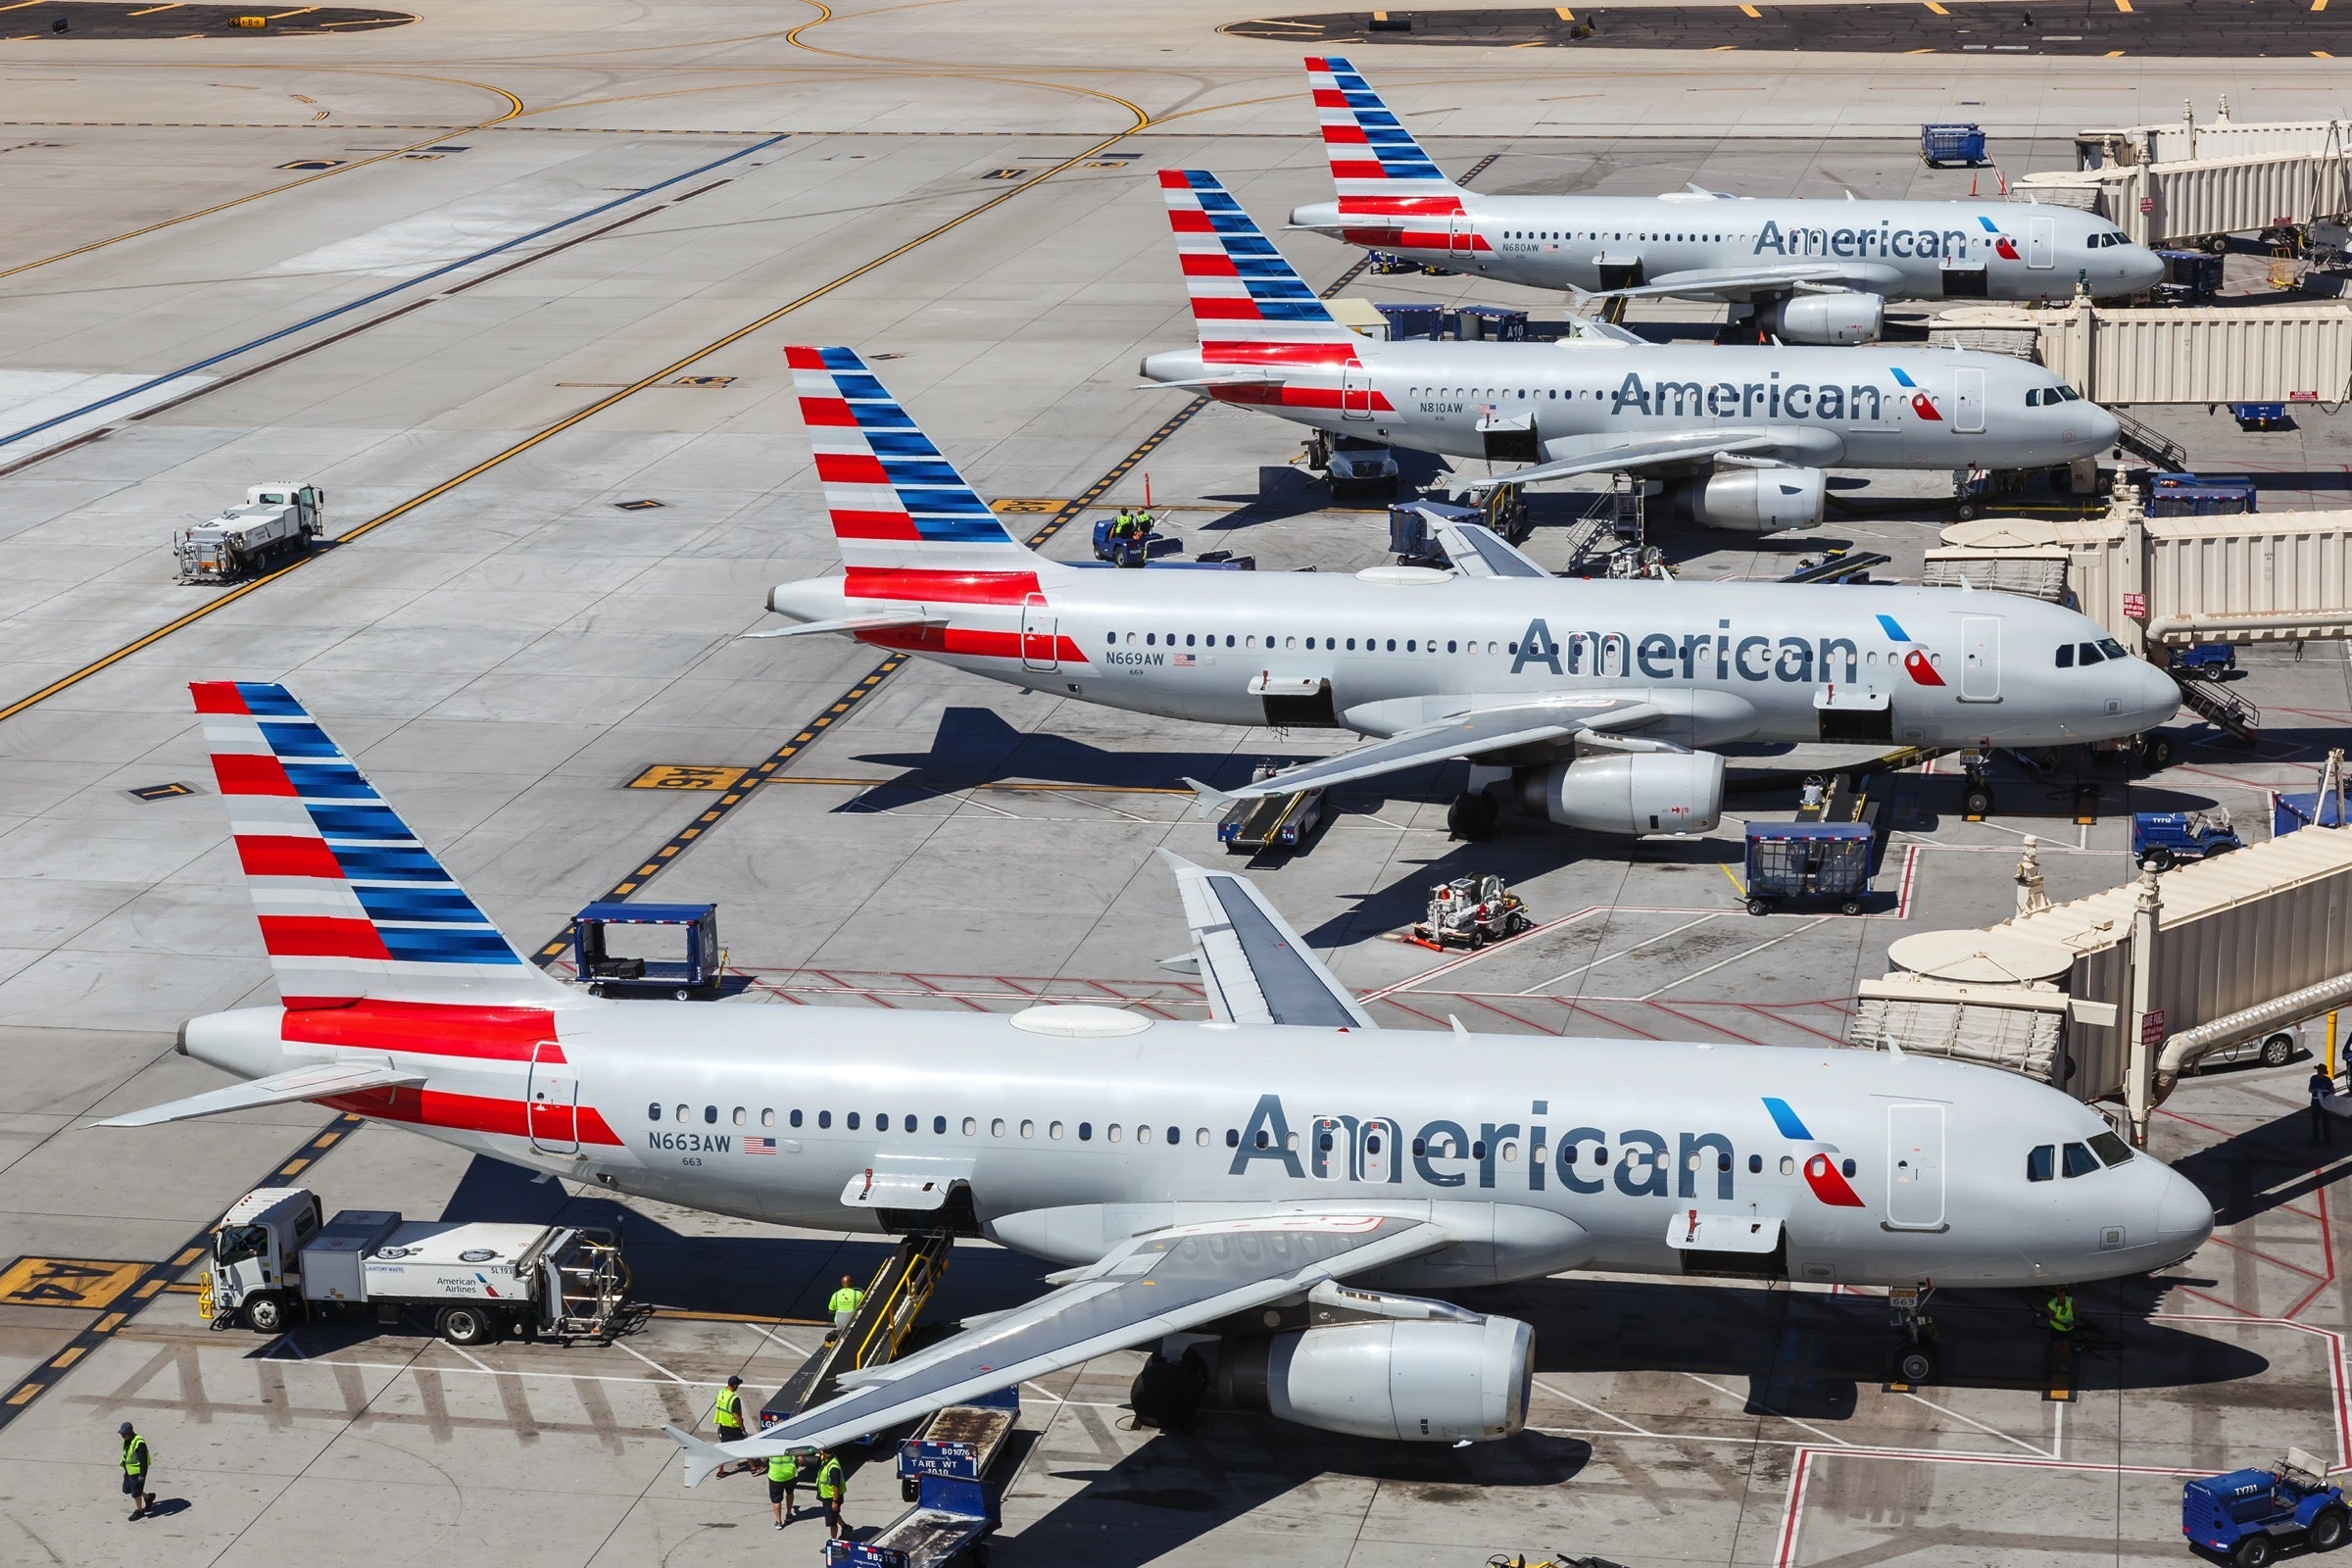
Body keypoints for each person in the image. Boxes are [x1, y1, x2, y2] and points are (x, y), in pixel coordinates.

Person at [712, 1374, 747, 1475]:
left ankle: (720, 1471)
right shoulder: (734, 1399)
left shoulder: (721, 1393)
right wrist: (742, 1428)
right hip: (733, 1427)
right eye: (738, 1385)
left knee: (723, 1449)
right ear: (735, 1385)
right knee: (745, 1445)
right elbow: (737, 1416)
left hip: (723, 1425)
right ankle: (754, 1468)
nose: (738, 1387)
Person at [118, 1420, 151, 1521]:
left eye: (123, 1434)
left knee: (135, 1493)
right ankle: (148, 1497)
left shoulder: (139, 1442)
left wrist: (142, 1475)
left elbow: (143, 1461)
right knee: (126, 1489)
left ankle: (139, 1511)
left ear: (129, 1433)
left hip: (137, 1472)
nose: (122, 1436)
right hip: (129, 1470)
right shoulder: (126, 1441)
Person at [816, 1448, 847, 1539]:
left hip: (831, 1498)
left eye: (823, 1452)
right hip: (826, 1495)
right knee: (834, 1515)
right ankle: (845, 1527)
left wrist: (835, 1501)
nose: (821, 1454)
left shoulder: (833, 1467)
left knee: (832, 1522)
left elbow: (836, 1486)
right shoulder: (827, 1461)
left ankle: (833, 1542)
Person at [767, 1449, 800, 1530]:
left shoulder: (770, 1447)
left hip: (775, 1477)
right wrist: (795, 1467)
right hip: (790, 1475)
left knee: (776, 1500)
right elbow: (801, 1459)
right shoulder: (791, 1446)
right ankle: (789, 1514)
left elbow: (763, 1459)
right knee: (790, 1493)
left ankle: (779, 1522)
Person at [826, 1275, 862, 1341]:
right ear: (851, 1283)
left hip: (840, 1323)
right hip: (853, 1323)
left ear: (842, 1284)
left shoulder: (835, 1295)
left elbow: (830, 1311)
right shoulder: (858, 1294)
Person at [2312, 1065, 2338, 1146]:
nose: (2318, 1071)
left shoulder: (2327, 1080)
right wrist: (2314, 1090)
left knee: (2325, 1122)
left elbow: (2333, 1091)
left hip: (2324, 1104)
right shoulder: (2313, 1078)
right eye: (2317, 1070)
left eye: (2319, 1070)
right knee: (2315, 1122)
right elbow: (2310, 1089)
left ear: (2323, 1071)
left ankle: (2327, 1140)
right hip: (2315, 1103)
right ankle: (2316, 1139)